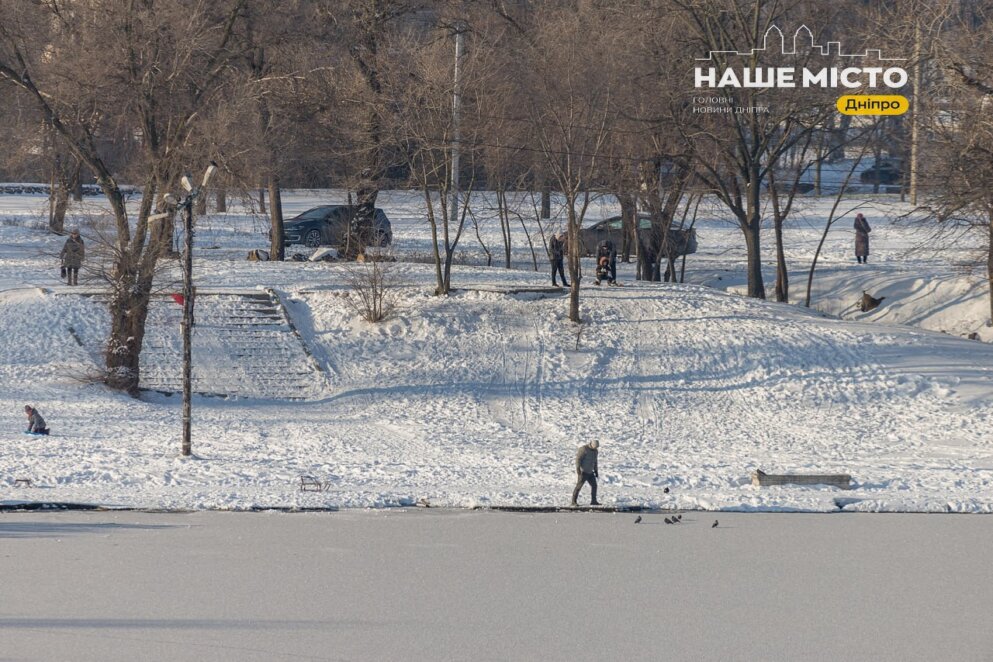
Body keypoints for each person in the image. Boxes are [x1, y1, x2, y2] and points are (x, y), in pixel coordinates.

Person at [571, 440, 600, 506]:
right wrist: (578, 468)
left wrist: (596, 470)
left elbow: (595, 461)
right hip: (583, 472)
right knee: (579, 487)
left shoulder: (595, 451)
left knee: (594, 486)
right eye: (595, 447)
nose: (595, 448)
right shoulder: (583, 449)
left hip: (590, 472)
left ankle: (593, 501)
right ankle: (573, 501)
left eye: (596, 447)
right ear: (591, 444)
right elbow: (578, 459)